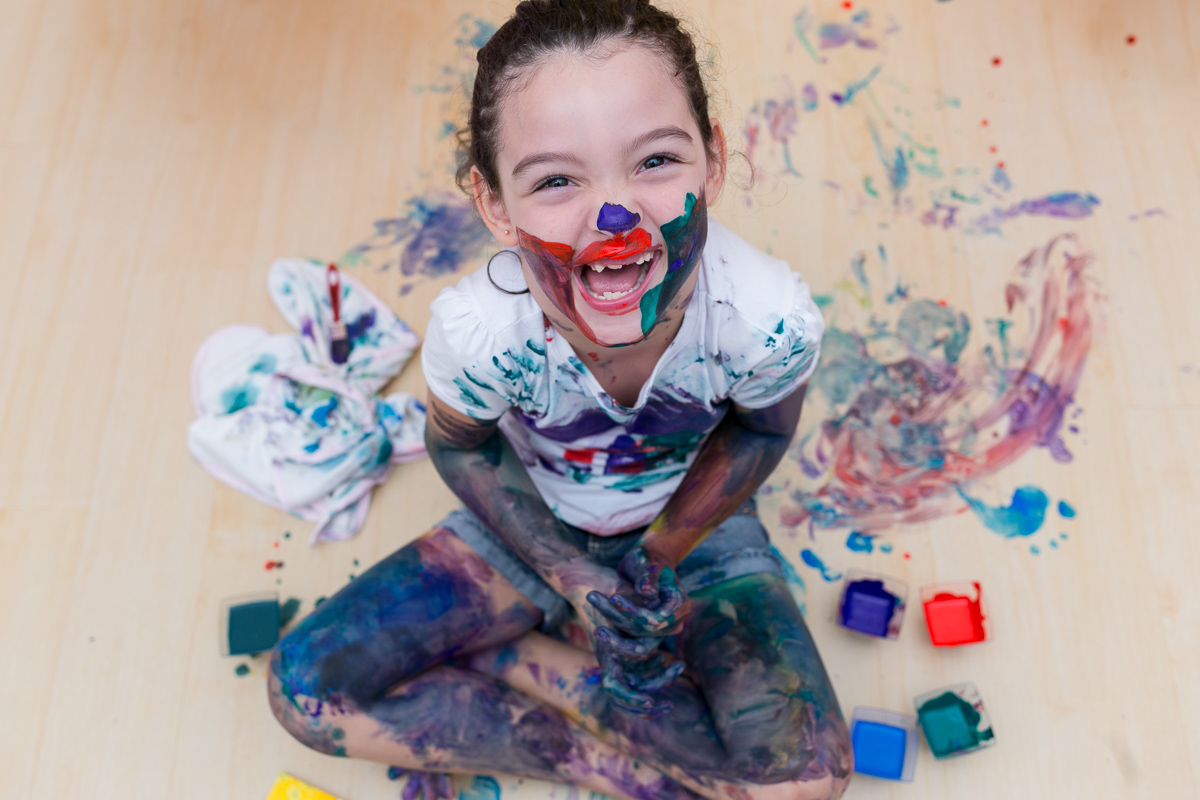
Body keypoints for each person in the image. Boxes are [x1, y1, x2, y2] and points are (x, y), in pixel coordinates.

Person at [268, 1, 852, 798]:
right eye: (554, 180)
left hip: (695, 532)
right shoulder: (480, 330)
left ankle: (506, 654)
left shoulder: (768, 317)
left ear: (713, 160)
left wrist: (656, 557)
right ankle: (590, 743)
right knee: (305, 690)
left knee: (806, 785)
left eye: (655, 162)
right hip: (528, 526)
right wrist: (573, 575)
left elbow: (758, 433)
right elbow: (463, 444)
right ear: (494, 203)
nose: (615, 217)